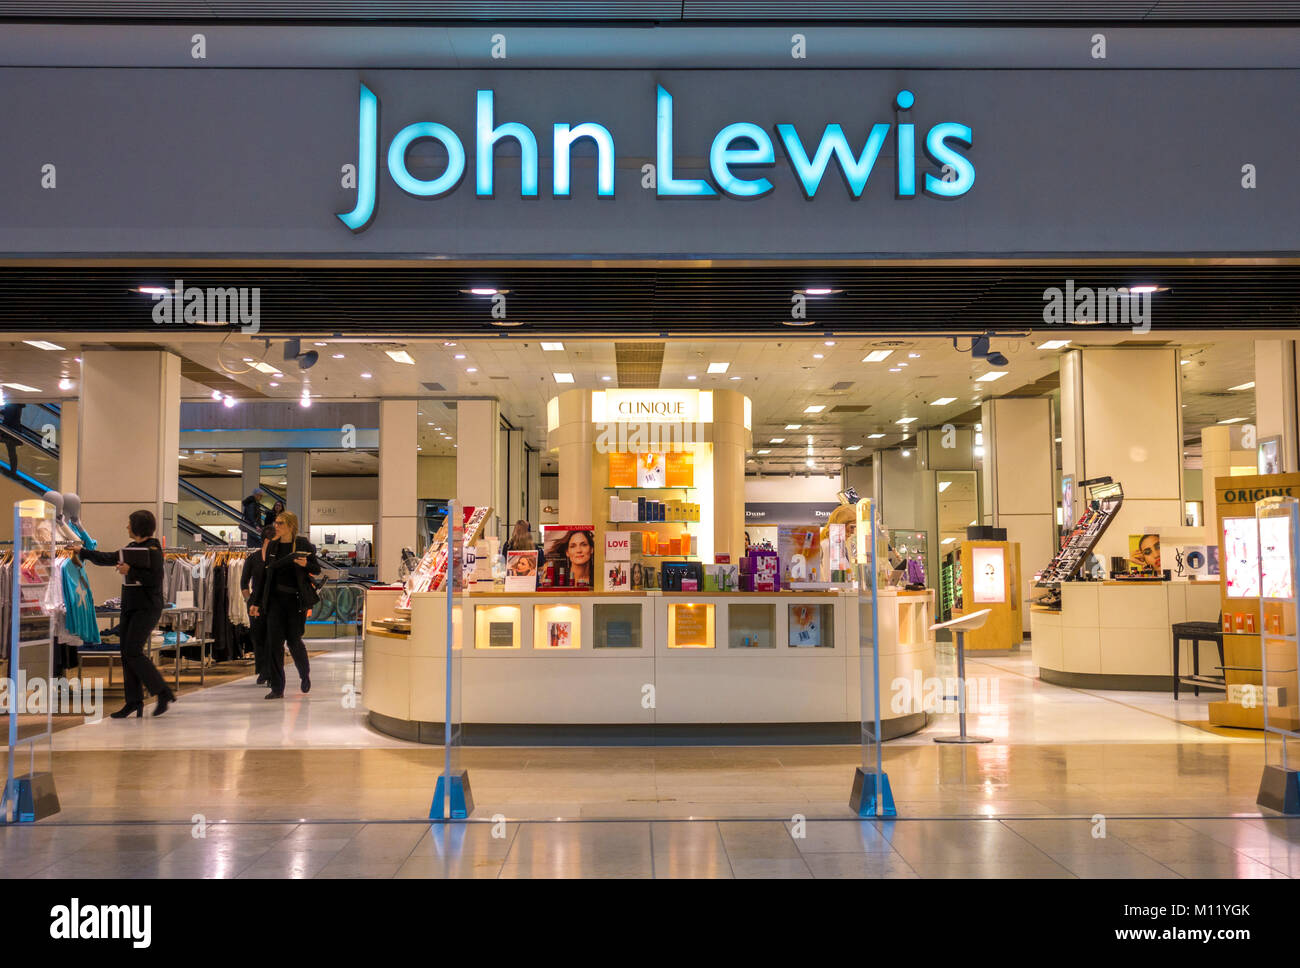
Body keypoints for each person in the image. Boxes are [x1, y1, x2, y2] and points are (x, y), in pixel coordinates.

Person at [76, 509, 177, 718]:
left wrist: (130, 570)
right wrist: (83, 552)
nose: (127, 527)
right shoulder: (131, 547)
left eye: (130, 523)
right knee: (126, 652)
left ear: (138, 526)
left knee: (133, 651)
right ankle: (133, 701)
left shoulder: (154, 549)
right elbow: (109, 558)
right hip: (130, 605)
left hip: (147, 607)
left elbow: (154, 579)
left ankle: (163, 692)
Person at [250, 510, 321, 699]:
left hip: (295, 601)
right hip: (274, 601)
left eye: (280, 523)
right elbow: (264, 577)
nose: (276, 526)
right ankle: (277, 687)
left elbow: (317, 568)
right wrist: (256, 602)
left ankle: (304, 675)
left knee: (294, 641)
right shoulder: (272, 546)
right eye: (276, 523)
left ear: (290, 525)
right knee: (274, 643)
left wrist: (305, 563)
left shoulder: (302, 544)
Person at [240, 522, 276, 685]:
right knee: (258, 638)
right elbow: (243, 583)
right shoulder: (253, 558)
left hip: (274, 602)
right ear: (265, 540)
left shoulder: (277, 558)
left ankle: (271, 672)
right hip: (255, 603)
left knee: (272, 639)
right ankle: (262, 670)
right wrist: (249, 602)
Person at [0, 402, 23, 479]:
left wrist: (2, 432)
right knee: (12, 453)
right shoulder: (16, 405)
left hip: (10, 433)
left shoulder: (12, 405)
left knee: (12, 453)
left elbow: (7, 420)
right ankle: (13, 472)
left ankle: (13, 472)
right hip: (13, 432)